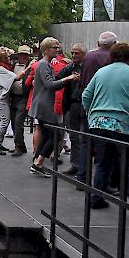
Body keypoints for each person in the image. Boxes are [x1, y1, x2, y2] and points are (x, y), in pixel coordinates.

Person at [82, 43, 129, 219]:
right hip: (124, 125)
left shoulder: (101, 72)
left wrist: (91, 114)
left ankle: (95, 197)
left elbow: (86, 95)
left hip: (99, 124)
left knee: (103, 162)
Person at [28, 37, 79, 177]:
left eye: (58, 48)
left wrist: (65, 75)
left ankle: (37, 162)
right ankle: (38, 163)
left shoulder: (46, 64)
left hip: (43, 104)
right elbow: (50, 84)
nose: (57, 50)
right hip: (44, 106)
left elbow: (54, 82)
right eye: (54, 48)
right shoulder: (44, 64)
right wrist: (67, 78)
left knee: (47, 135)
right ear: (45, 49)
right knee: (55, 135)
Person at [75, 31, 117, 184]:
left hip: (87, 105)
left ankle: (82, 177)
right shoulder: (112, 59)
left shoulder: (88, 57)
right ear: (113, 44)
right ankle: (102, 182)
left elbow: (83, 81)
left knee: (86, 142)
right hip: (105, 107)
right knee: (104, 146)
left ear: (99, 43)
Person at [55, 43, 86, 175]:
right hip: (72, 104)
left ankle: (83, 166)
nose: (73, 55)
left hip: (84, 105)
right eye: (72, 53)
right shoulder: (69, 67)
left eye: (76, 53)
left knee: (83, 137)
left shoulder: (87, 68)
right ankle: (75, 164)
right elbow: (57, 79)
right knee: (73, 136)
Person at [0, 47, 26, 155]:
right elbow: (17, 77)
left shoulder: (0, 67)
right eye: (9, 57)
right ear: (4, 58)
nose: (11, 59)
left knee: (4, 121)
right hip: (2, 99)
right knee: (5, 121)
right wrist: (28, 67)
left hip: (4, 99)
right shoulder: (1, 69)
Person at [10, 45, 33, 157]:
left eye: (26, 55)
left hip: (24, 97)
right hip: (13, 97)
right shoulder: (13, 65)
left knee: (18, 121)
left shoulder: (32, 66)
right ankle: (20, 145)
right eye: (22, 54)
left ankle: (19, 146)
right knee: (14, 122)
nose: (24, 56)